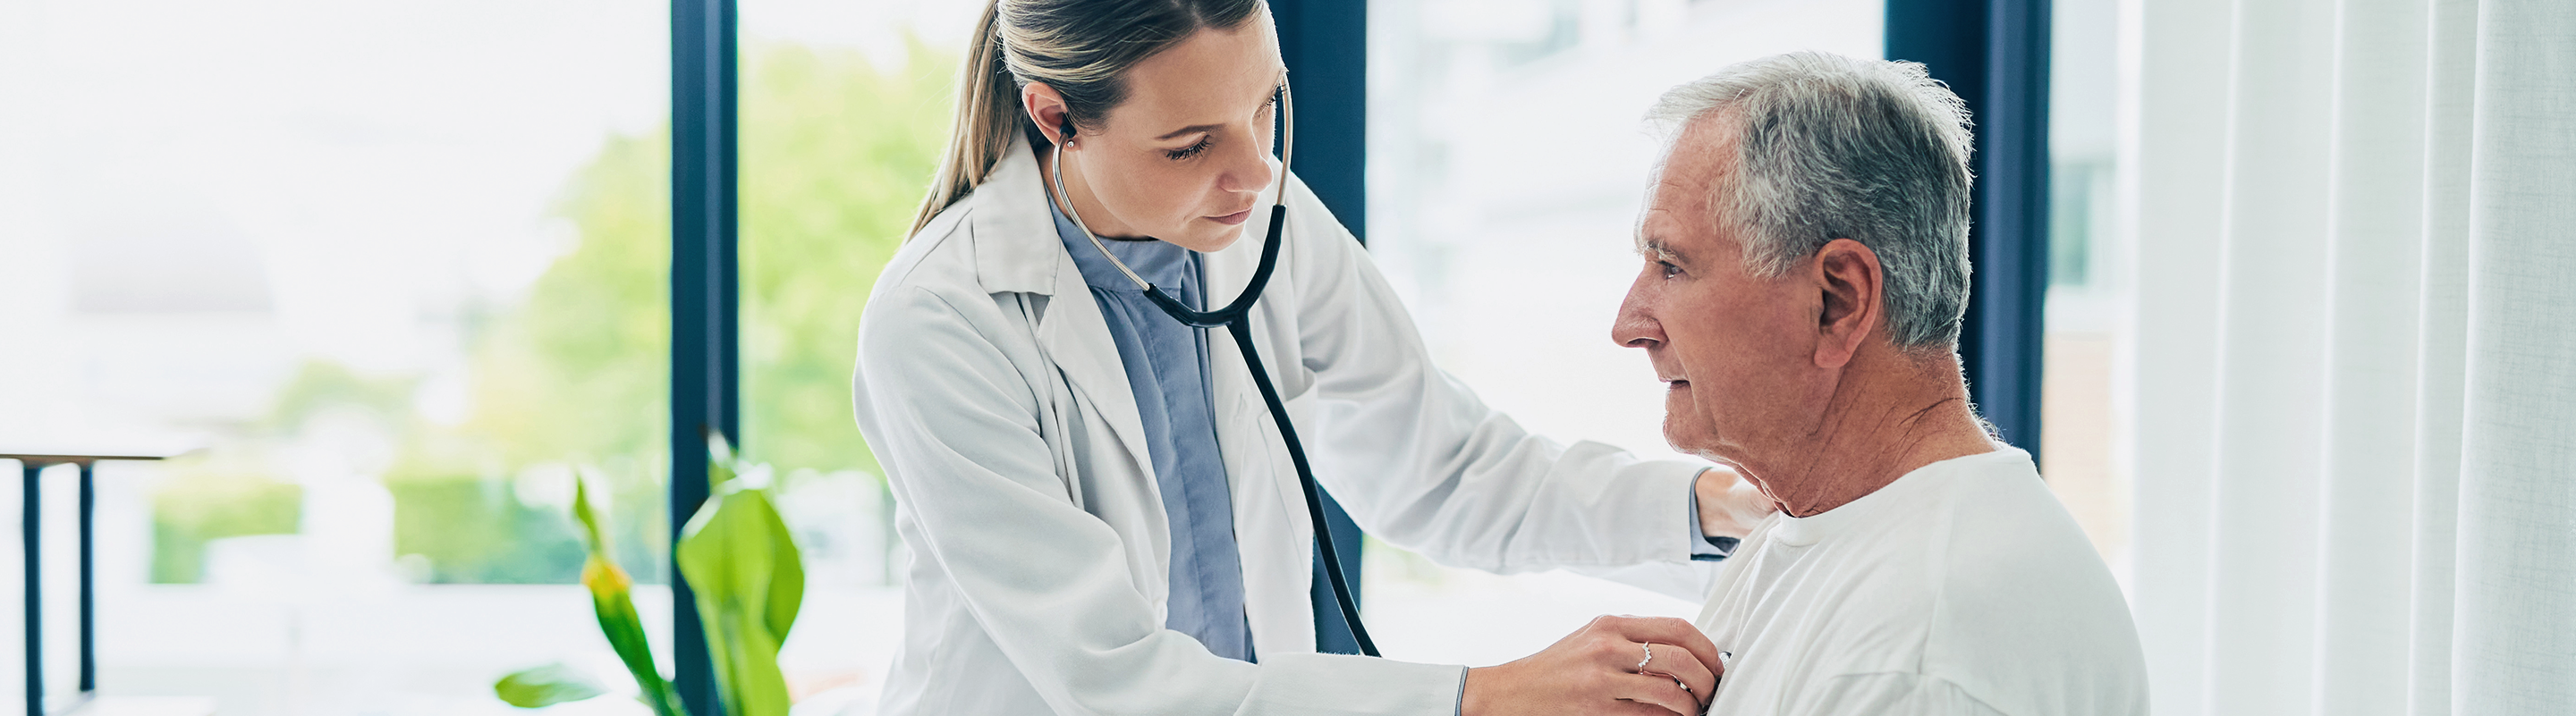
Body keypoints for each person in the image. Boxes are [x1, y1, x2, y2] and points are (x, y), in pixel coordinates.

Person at [850, 1, 1776, 714]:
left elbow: (1445, 468)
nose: (1255, 172)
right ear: (1056, 119)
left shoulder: (1260, 223)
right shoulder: (941, 319)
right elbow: (1115, 679)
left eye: (1265, 107)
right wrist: (1483, 694)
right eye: (1189, 146)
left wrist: (1707, 508)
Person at [1609, 51, 2150, 715]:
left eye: (1671, 266)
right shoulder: (1814, 534)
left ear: (1839, 301)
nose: (1629, 324)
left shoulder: (1919, 653)